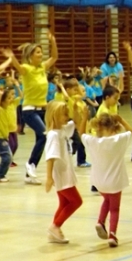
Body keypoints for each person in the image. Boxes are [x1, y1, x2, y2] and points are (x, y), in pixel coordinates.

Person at [1, 31, 58, 185]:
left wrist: (53, 41)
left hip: (42, 109)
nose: (41, 54)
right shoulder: (26, 68)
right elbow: (18, 67)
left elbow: (54, 57)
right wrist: (12, 57)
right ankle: (30, 164)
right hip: (29, 110)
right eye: (38, 52)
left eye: (41, 52)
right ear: (30, 55)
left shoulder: (42, 67)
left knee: (42, 139)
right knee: (45, 135)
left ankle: (29, 173)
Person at [79, 111, 132, 248]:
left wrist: (84, 118)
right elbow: (131, 131)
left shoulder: (93, 141)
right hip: (114, 181)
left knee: (107, 200)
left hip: (98, 182)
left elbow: (81, 134)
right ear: (113, 126)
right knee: (115, 208)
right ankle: (112, 235)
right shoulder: (118, 140)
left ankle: (100, 221)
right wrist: (121, 119)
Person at [44, 100, 83, 244]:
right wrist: (49, 177)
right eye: (64, 114)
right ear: (54, 115)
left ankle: (53, 233)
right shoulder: (53, 135)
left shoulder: (63, 129)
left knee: (64, 202)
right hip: (61, 173)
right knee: (76, 201)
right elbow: (50, 157)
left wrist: (75, 109)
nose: (67, 117)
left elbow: (76, 122)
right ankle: (55, 226)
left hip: (66, 171)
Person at [0, 87, 18, 182]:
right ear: (2, 101)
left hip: (3, 137)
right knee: (6, 158)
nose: (11, 99)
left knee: (8, 157)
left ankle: (0, 174)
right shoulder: (0, 109)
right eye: (8, 98)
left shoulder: (8, 109)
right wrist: (0, 95)